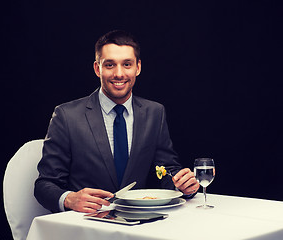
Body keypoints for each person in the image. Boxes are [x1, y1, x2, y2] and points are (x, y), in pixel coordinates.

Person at [34, 30, 199, 213]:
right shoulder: (66, 115)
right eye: (110, 65)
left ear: (138, 67)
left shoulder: (155, 112)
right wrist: (69, 199)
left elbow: (167, 170)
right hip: (86, 225)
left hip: (140, 223)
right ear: (98, 69)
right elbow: (44, 185)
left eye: (127, 64)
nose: (119, 74)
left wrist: (182, 185)